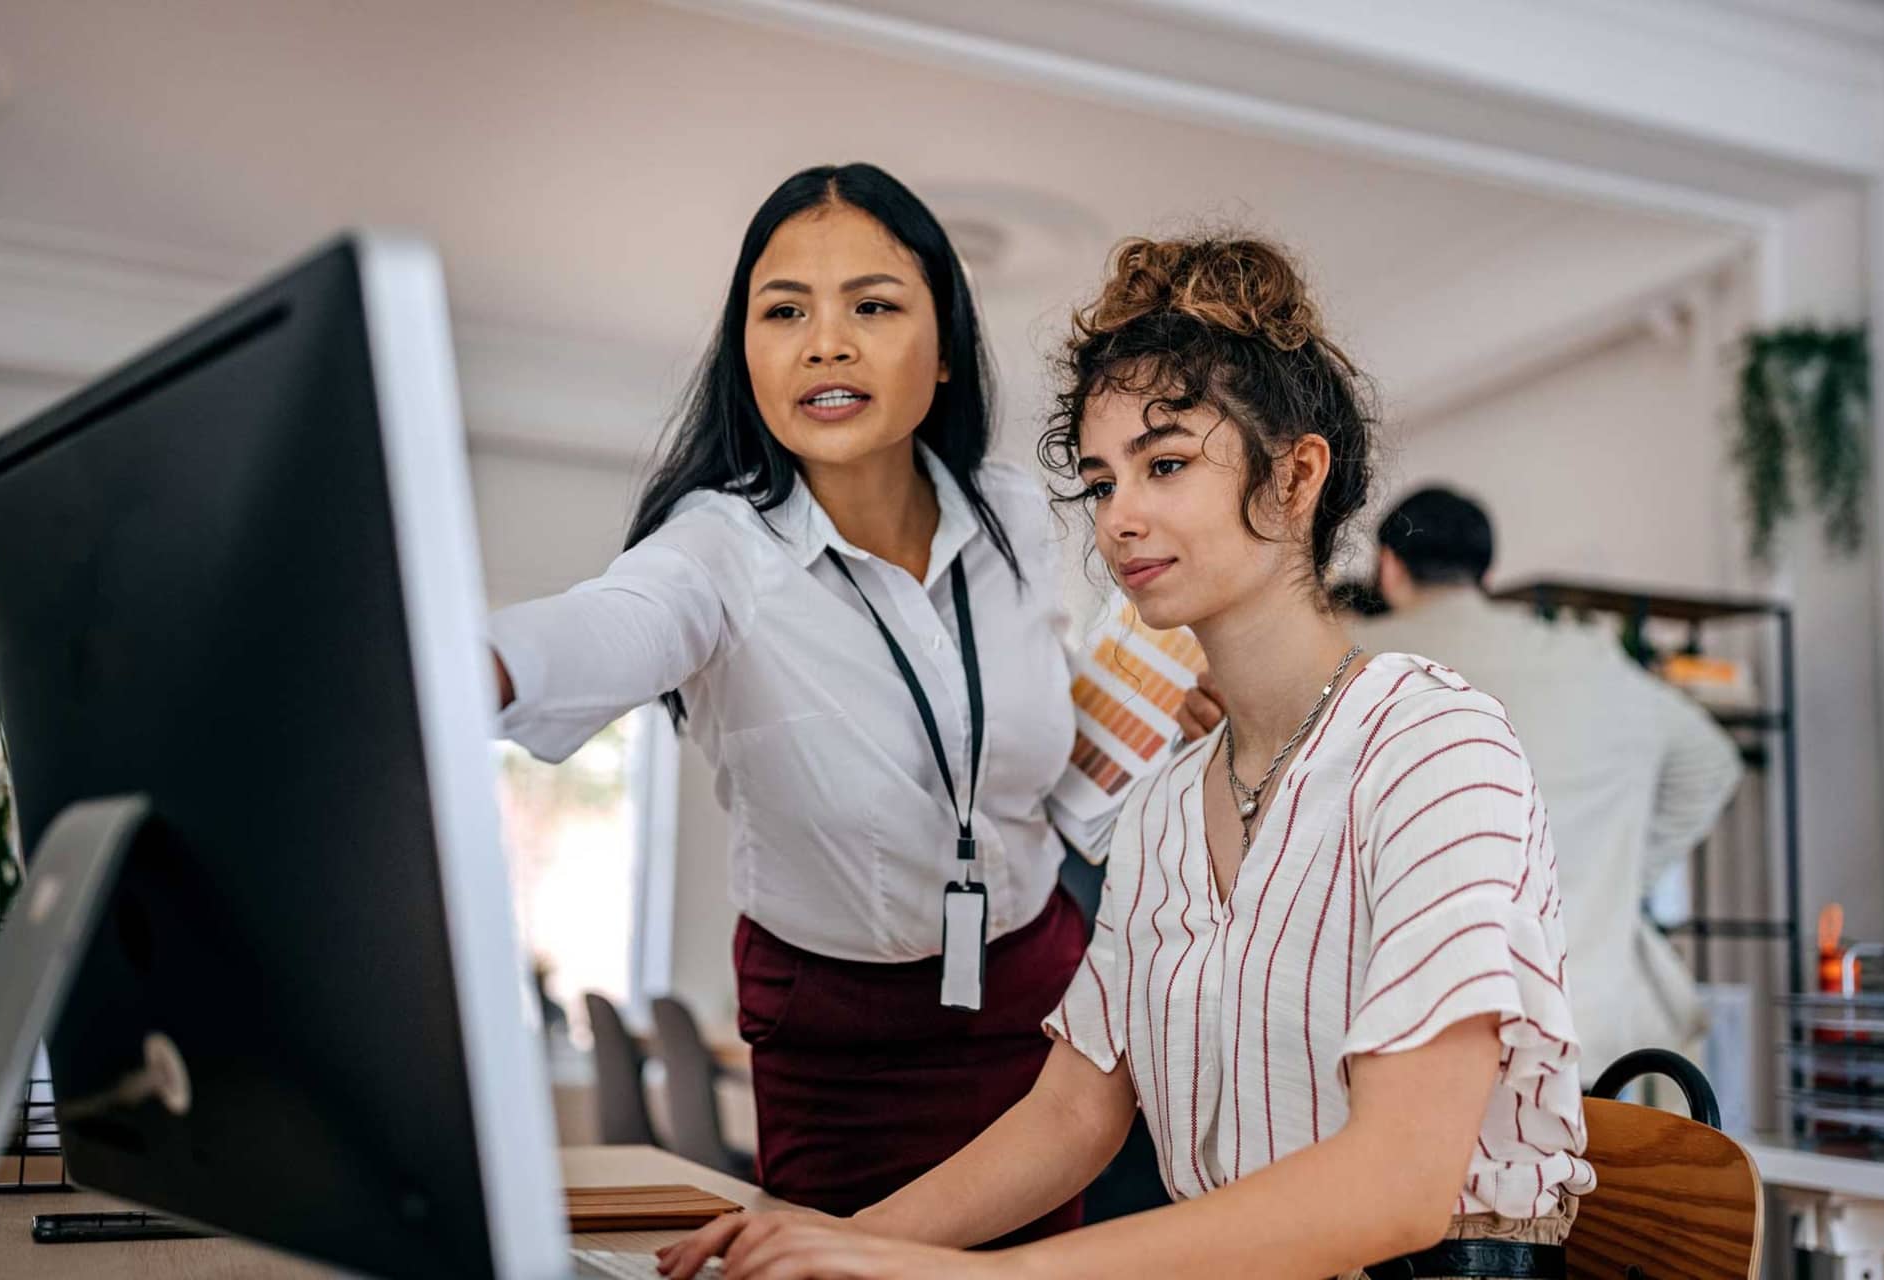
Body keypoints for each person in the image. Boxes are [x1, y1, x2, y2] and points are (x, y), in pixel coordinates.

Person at [659, 234, 1594, 1280]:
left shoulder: (1432, 745)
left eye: (1163, 464)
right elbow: (1072, 1108)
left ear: (1293, 478)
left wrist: (991, 1273)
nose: (1117, 520)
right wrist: (851, 1233)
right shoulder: (1158, 808)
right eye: (1100, 481)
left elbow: (1397, 1183)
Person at [487, 163, 1118, 1240]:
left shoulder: (1024, 517)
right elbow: (605, 621)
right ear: (747, 352)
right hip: (837, 1040)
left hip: (1036, 1006)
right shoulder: (715, 548)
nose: (826, 341)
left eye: (872, 305)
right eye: (784, 311)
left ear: (947, 348)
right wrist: (460, 666)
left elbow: (1054, 757)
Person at [1352, 486, 1742, 1075]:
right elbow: (1711, 762)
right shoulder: (1585, 657)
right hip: (1583, 1025)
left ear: (1389, 565)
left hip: (1416, 1033)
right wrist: (1622, 865)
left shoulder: (1360, 662)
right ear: (1485, 570)